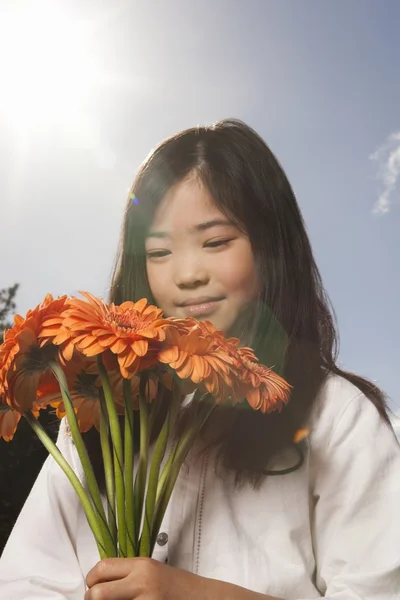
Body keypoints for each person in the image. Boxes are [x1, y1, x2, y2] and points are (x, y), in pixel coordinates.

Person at [0, 118, 399, 600]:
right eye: (160, 251)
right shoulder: (96, 416)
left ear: (273, 249)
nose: (187, 275)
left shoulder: (339, 416)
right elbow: (24, 580)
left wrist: (196, 594)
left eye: (215, 242)